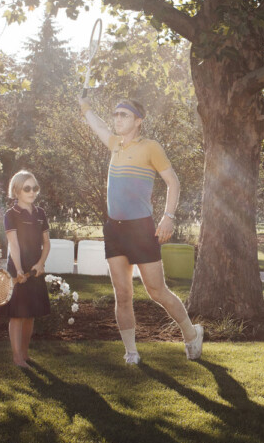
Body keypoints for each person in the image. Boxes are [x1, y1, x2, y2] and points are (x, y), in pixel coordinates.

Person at [77, 97, 203, 365]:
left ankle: (192, 334)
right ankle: (131, 352)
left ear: (138, 121)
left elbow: (173, 182)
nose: (117, 119)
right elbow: (97, 126)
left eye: (123, 115)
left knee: (156, 291)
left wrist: (168, 217)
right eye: (115, 114)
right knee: (122, 294)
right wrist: (86, 105)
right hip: (114, 230)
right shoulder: (115, 145)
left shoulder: (150, 148)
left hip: (141, 229)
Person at [0, 170, 51, 368]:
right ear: (17, 190)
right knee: (17, 315)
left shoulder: (40, 214)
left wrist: (40, 263)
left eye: (35, 188)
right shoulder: (10, 215)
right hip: (17, 267)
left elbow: (46, 243)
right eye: (27, 188)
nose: (32, 192)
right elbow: (14, 244)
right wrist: (19, 270)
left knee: (30, 314)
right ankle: (16, 358)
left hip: (35, 269)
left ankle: (25, 354)